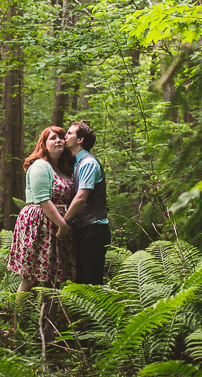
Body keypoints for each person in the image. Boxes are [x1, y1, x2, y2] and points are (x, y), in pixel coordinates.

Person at [7, 126, 77, 292]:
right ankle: (19, 315)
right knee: (31, 277)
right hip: (39, 224)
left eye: (61, 137)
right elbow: (43, 200)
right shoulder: (40, 166)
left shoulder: (63, 168)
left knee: (54, 279)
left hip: (57, 225)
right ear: (44, 145)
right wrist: (63, 226)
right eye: (53, 138)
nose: (59, 140)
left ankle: (46, 318)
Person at [63, 121, 110, 285]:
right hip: (84, 229)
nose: (65, 136)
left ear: (80, 139)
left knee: (92, 284)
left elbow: (81, 197)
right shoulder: (76, 162)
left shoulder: (88, 163)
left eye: (69, 133)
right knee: (81, 282)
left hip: (94, 230)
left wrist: (64, 222)